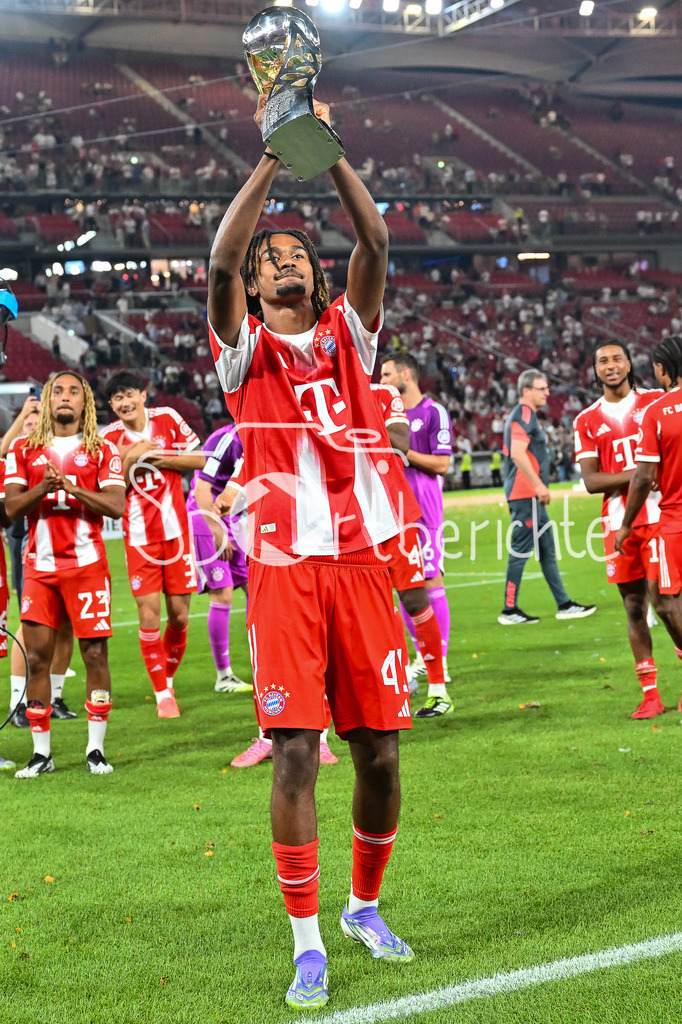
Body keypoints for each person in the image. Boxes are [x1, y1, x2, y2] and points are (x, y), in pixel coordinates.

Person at [207, 93, 420, 1010]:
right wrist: (269, 156)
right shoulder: (239, 350)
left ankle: (362, 909)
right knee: (295, 753)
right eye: (272, 261)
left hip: (364, 566)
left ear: (316, 275)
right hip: (287, 575)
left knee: (379, 759)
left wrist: (324, 151)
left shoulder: (350, 333)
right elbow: (220, 256)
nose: (284, 263)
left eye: (298, 255)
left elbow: (374, 241)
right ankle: (306, 946)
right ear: (256, 290)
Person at [4, 372, 125, 778]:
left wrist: (72, 489)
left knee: (94, 655)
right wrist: (43, 489)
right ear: (47, 400)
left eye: (75, 391)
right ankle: (41, 754)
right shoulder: (22, 448)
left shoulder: (103, 449)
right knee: (37, 657)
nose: (66, 398)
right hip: (39, 567)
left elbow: (115, 506)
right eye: (58, 391)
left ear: (85, 402)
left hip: (88, 567)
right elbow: (9, 509)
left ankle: (95, 749)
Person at [101, 371, 204, 719]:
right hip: (139, 538)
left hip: (177, 534)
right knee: (149, 615)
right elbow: (111, 492)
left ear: (143, 395)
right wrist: (130, 457)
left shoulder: (168, 419)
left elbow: (200, 459)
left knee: (179, 616)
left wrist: (154, 457)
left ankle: (167, 680)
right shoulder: (109, 438)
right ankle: (162, 694)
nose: (124, 402)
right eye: (117, 399)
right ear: (112, 406)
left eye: (129, 394)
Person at [575, 343, 667, 718]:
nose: (610, 366)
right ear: (595, 370)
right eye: (602, 361)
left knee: (668, 602)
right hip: (619, 525)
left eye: (616, 358)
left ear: (629, 364)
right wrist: (645, 473)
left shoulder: (656, 402)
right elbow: (593, 481)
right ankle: (650, 694)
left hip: (663, 516)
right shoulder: (586, 420)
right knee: (633, 606)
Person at [370, 381, 451, 717]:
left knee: (417, 596)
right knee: (370, 606)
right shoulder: (323, 393)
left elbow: (400, 444)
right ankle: (389, 683)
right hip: (352, 517)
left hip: (397, 514)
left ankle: (438, 686)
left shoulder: (383, 394)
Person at [615, 334, 682, 716]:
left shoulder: (658, 409)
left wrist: (625, 525)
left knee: (665, 602)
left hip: (672, 520)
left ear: (660, 369)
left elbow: (642, 477)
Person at [498, 370, 596, 625]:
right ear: (526, 390)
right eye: (542, 389)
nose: (547, 393)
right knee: (520, 551)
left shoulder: (527, 416)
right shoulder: (524, 414)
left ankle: (564, 604)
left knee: (547, 550)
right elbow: (518, 454)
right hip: (525, 493)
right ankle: (509, 610)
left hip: (528, 494)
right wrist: (539, 485)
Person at [2, 399, 77, 726]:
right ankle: (18, 701)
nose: (33, 428)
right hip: (27, 539)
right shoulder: (19, 451)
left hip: (69, 545)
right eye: (27, 424)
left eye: (37, 422)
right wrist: (23, 418)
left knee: (67, 623)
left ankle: (56, 696)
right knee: (31, 621)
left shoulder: (60, 450)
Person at [185, 421, 250, 694]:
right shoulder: (225, 438)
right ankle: (224, 676)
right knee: (222, 594)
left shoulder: (264, 431)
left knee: (257, 590)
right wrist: (216, 529)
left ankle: (263, 663)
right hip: (208, 516)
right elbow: (202, 487)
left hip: (238, 519)